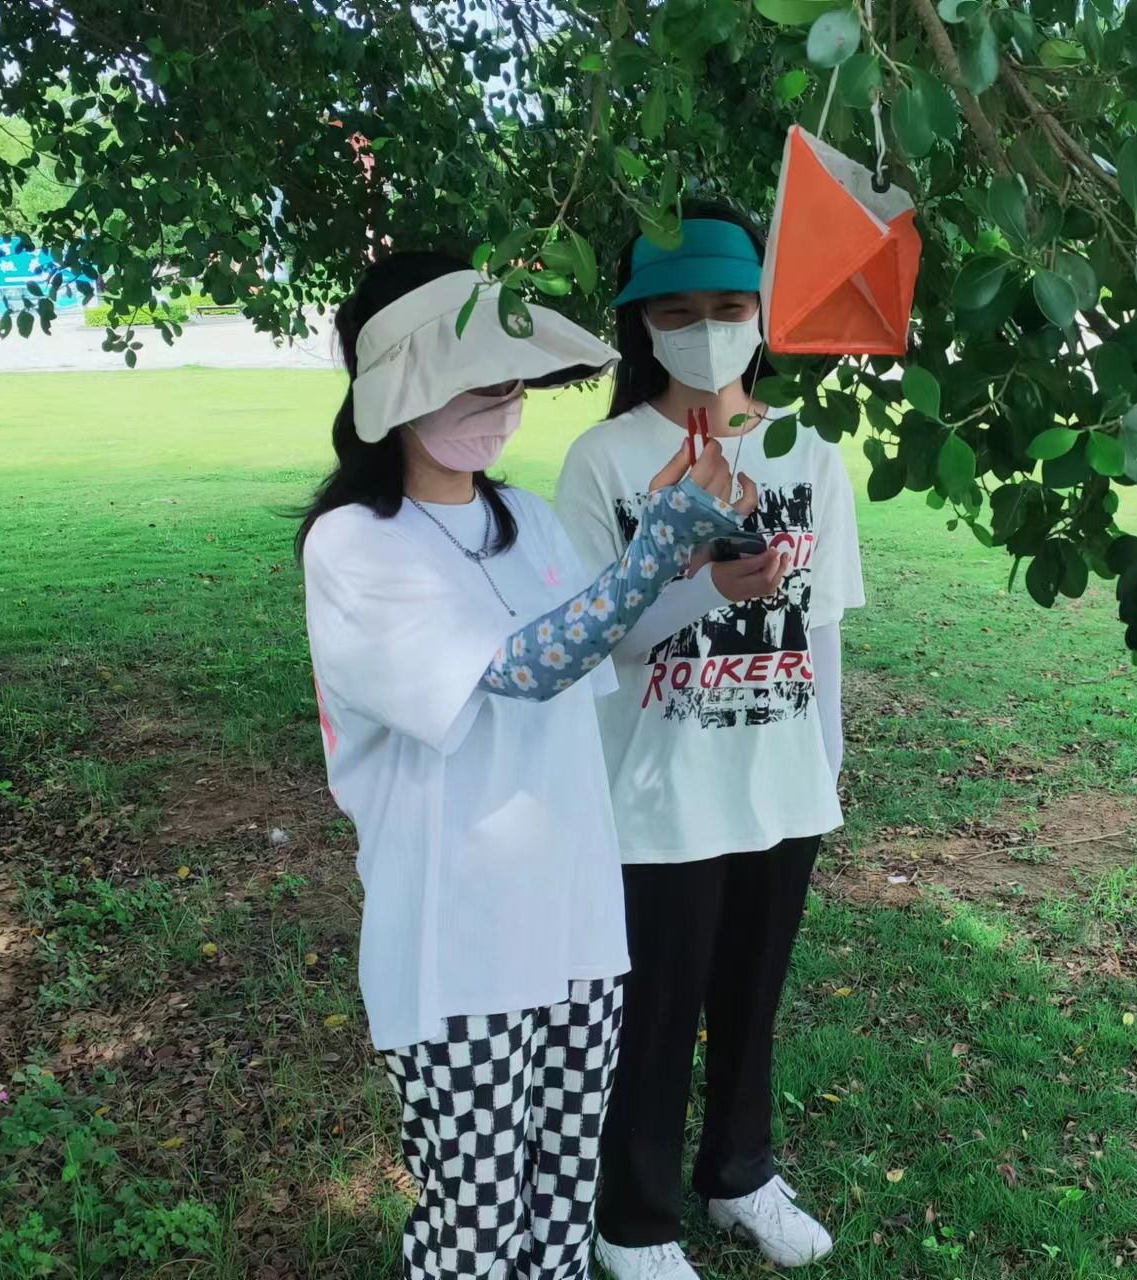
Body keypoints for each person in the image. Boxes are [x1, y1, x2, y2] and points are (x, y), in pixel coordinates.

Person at [298, 250, 767, 1280]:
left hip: (576, 924)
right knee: (473, 1222)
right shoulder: (356, 544)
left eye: (510, 375)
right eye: (475, 378)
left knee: (562, 1202)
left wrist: (701, 579)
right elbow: (519, 667)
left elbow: (594, 639)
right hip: (458, 941)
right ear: (399, 393)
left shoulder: (527, 521)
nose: (503, 398)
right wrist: (651, 554)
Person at [556, 204, 866, 1280]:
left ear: (762, 316)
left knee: (750, 998)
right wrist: (696, 584)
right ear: (641, 323)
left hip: (779, 777)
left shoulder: (809, 450)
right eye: (677, 312)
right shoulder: (604, 459)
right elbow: (590, 640)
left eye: (729, 307)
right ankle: (632, 1220)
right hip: (656, 789)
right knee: (655, 1011)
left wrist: (824, 757)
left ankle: (740, 1173)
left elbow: (822, 623)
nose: (705, 331)